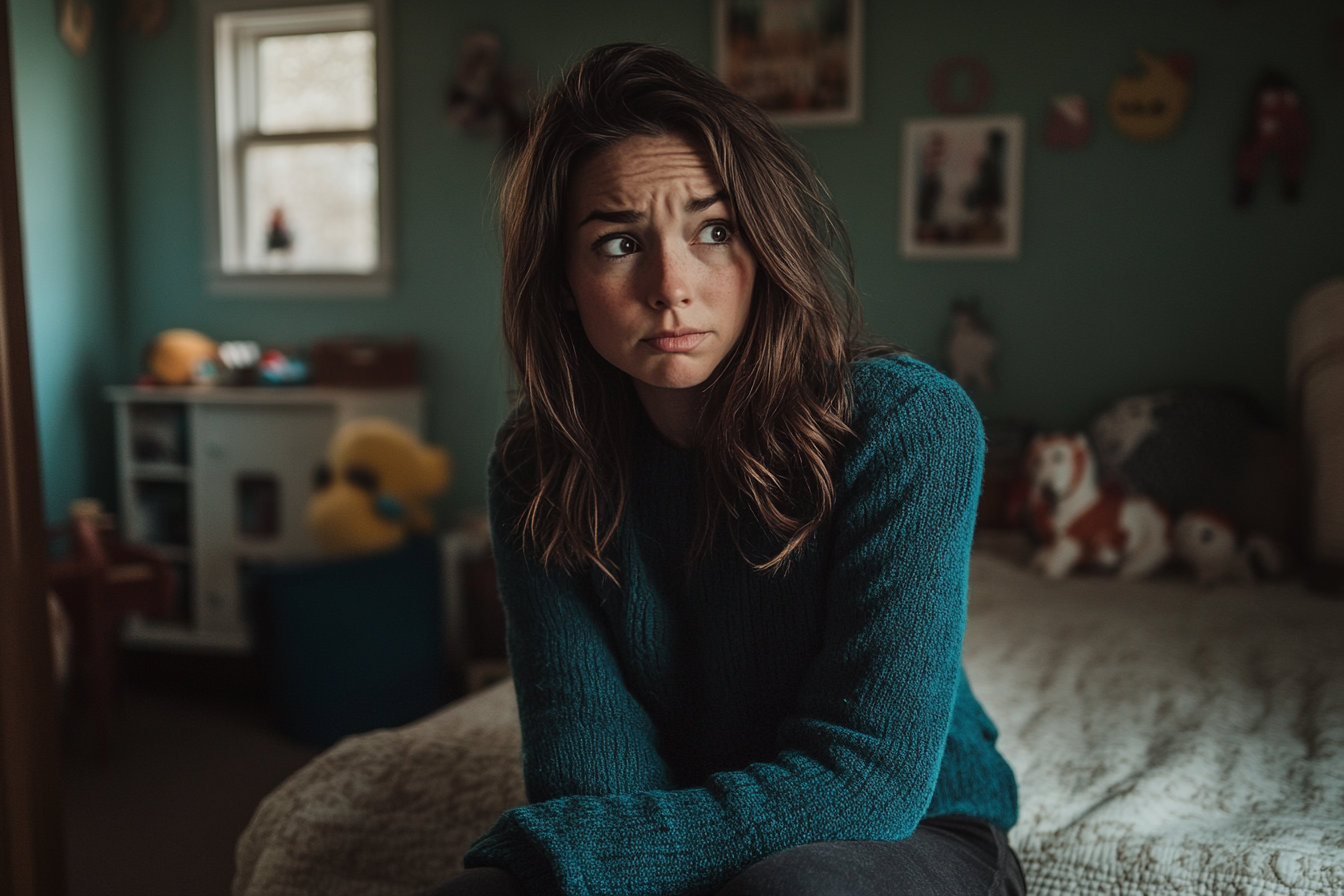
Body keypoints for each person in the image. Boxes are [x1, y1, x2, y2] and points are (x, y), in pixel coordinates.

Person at [431, 42, 1023, 896]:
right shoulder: (535, 466)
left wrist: (586, 853)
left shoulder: (908, 425)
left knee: (787, 890)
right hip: (673, 815)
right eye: (617, 242)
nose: (672, 285)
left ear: (765, 247)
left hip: (912, 827)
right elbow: (586, 772)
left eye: (714, 231)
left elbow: (868, 782)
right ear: (562, 278)